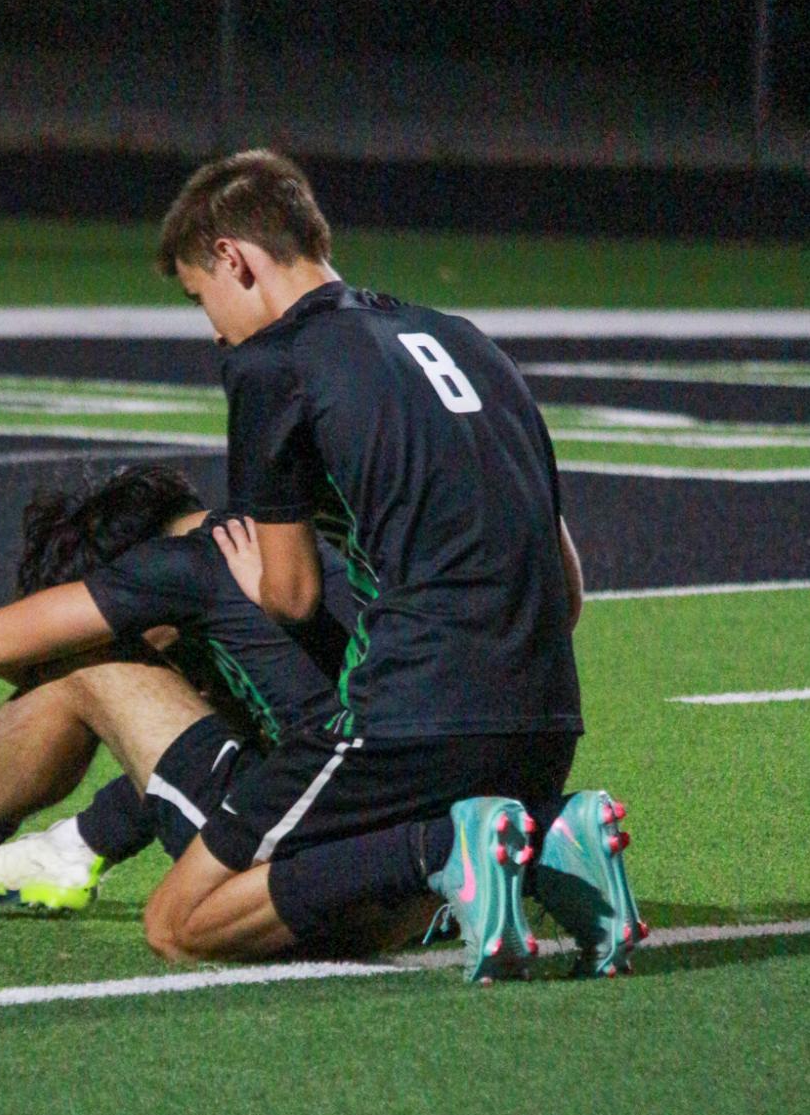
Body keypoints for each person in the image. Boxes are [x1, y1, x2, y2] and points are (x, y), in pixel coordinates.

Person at [135, 148, 646, 982]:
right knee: (356, 908)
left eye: (203, 300)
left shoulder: (269, 365)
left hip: (414, 717)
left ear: (235, 258)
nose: (215, 330)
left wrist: (244, 580)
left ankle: (445, 844)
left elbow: (295, 596)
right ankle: (550, 834)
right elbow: (567, 589)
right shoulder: (467, 340)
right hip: (547, 723)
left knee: (178, 921)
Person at [0, 463, 424, 954]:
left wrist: (108, 641)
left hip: (316, 852)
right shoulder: (291, 544)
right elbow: (196, 757)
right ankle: (70, 847)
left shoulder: (178, 565)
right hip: (405, 817)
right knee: (209, 712)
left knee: (90, 672)